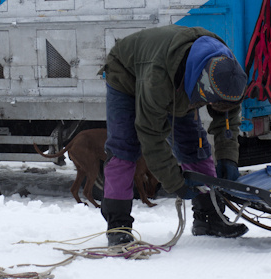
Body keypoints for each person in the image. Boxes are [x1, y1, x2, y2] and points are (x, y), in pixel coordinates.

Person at [99, 25, 249, 246]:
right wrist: (174, 182)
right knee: (124, 148)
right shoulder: (157, 78)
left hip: (178, 79)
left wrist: (228, 157)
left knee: (193, 144)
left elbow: (227, 116)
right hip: (128, 75)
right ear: (203, 87)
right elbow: (150, 133)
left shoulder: (228, 72)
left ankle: (208, 217)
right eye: (211, 103)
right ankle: (118, 226)